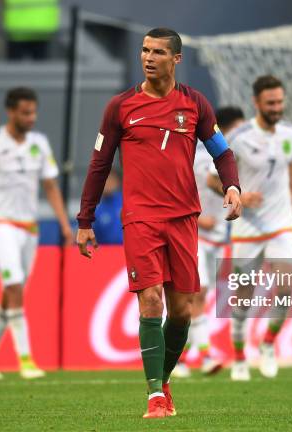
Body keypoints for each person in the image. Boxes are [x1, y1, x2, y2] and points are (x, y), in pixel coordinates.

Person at [76, 28, 241, 419]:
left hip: (184, 218)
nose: (149, 58)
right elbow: (99, 164)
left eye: (158, 52)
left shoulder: (195, 104)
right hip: (141, 219)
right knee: (150, 301)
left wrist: (232, 186)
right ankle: (154, 395)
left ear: (176, 59)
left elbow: (222, 151)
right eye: (145, 50)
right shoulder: (121, 107)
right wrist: (86, 220)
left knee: (182, 311)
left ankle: (162, 380)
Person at [0, 87, 73, 380]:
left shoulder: (39, 142)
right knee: (13, 285)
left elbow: (50, 186)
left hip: (29, 228)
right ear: (10, 112)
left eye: (34, 112)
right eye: (26, 113)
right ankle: (26, 360)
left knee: (14, 292)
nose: (31, 118)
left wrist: (64, 224)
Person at [208, 75, 292, 381]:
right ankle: (239, 358)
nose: (277, 108)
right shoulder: (238, 136)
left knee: (287, 286)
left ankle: (268, 344)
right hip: (248, 228)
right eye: (270, 103)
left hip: (281, 224)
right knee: (244, 298)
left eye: (280, 102)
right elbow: (213, 177)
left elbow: (289, 164)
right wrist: (238, 194)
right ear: (256, 103)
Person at [172, 106, 245, 379]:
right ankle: (204, 355)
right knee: (198, 291)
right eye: (237, 129)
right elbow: (182, 188)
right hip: (194, 234)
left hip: (217, 238)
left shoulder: (235, 161)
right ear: (223, 131)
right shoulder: (201, 158)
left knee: (191, 298)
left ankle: (176, 357)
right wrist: (197, 217)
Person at [92, 169, 123, 244]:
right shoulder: (97, 210)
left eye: (110, 180)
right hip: (106, 252)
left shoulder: (126, 202)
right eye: (104, 180)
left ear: (117, 182)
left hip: (126, 250)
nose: (107, 183)